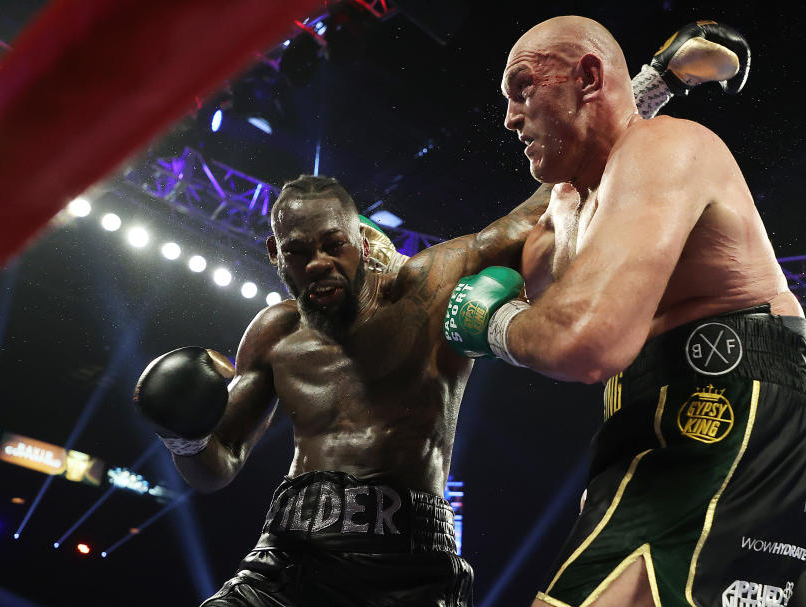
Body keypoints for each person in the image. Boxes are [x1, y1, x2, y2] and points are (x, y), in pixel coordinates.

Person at [132, 24, 748, 607]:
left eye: (333, 245)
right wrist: (181, 431)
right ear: (275, 256)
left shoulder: (427, 291)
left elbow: (538, 209)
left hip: (412, 569)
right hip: (288, 560)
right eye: (298, 252)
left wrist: (656, 79)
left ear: (362, 243)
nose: (319, 263)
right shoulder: (273, 333)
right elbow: (217, 467)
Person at [444, 16, 806, 607]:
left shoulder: (667, 146)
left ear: (585, 77)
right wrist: (652, 82)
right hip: (652, 421)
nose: (509, 116)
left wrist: (495, 324)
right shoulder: (564, 217)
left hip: (732, 407)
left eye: (523, 88)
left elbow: (584, 344)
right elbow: (500, 240)